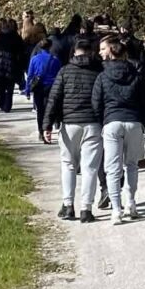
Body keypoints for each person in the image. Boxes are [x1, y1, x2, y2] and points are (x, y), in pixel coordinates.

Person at [43, 39, 104, 223]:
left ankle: (68, 205)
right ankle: (86, 209)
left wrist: (47, 124)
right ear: (90, 52)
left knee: (68, 165)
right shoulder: (99, 71)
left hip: (69, 124)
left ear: (74, 52)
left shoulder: (65, 71)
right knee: (90, 168)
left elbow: (54, 98)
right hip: (93, 123)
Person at [93, 38, 145, 225]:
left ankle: (116, 210)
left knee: (112, 169)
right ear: (125, 54)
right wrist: (142, 122)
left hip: (112, 122)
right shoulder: (137, 75)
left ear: (110, 54)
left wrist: (103, 120)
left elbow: (96, 102)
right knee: (131, 165)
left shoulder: (102, 76)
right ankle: (131, 203)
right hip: (133, 122)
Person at [24, 38, 62, 142]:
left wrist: (27, 90)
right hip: (51, 87)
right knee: (50, 110)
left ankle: (41, 132)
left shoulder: (35, 59)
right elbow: (59, 75)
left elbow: (30, 75)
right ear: (50, 47)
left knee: (40, 111)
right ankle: (48, 130)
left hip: (39, 87)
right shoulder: (55, 60)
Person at [0, 19, 26, 113]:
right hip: (11, 62)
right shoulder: (17, 37)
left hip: (0, 61)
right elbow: (21, 52)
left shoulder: (1, 35)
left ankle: (1, 102)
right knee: (10, 84)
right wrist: (21, 65)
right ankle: (7, 105)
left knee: (1, 82)